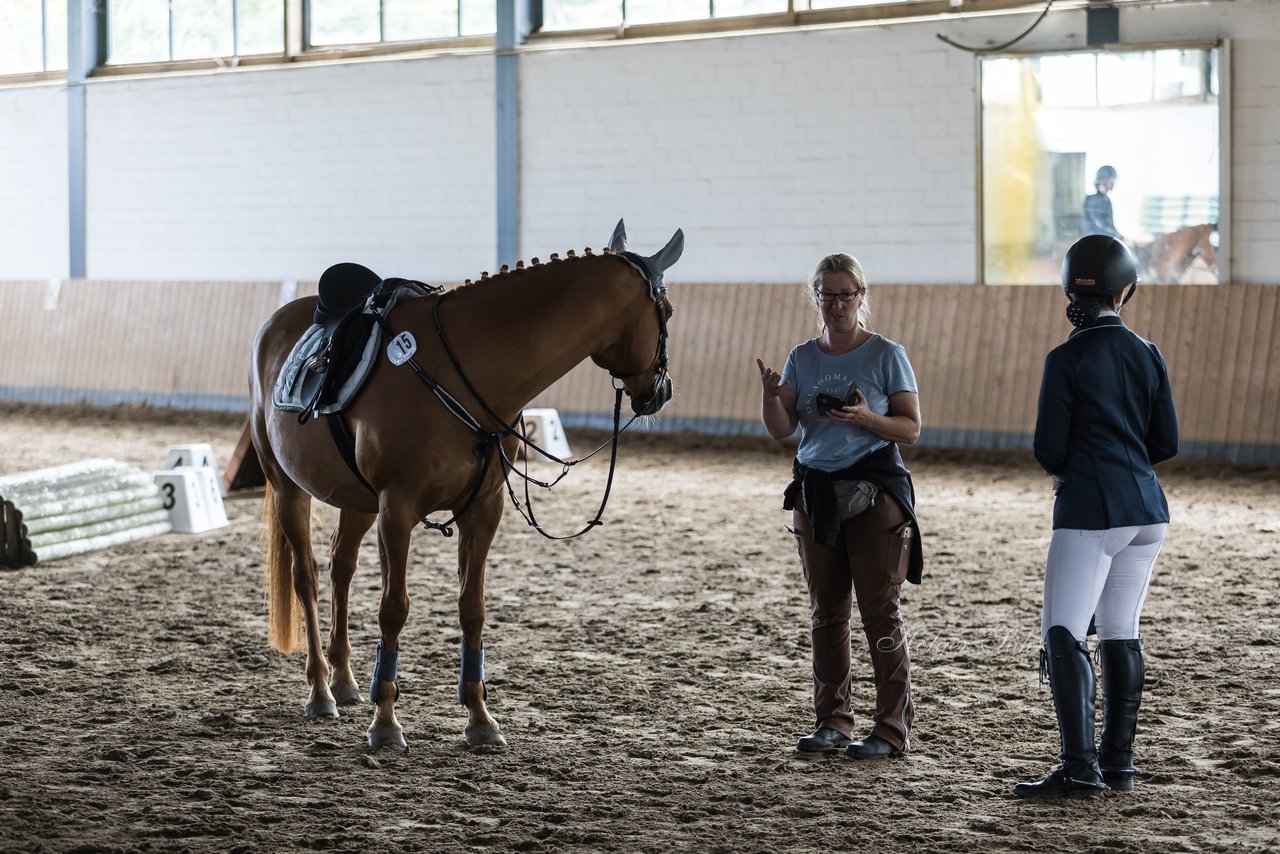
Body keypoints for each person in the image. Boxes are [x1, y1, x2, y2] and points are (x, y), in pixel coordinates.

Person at [1013, 234, 1179, 799]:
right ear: (1124, 290)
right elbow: (1167, 441)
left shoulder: (1065, 357)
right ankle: (1119, 765)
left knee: (1062, 632)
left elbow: (1048, 448)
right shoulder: (1149, 352)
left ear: (1068, 286)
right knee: (1120, 631)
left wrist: (1081, 467)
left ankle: (1080, 769)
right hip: (1147, 511)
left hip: (1089, 509)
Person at [755, 253, 923, 760]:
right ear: (816, 299)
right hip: (815, 491)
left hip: (874, 492)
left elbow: (911, 429)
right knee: (826, 613)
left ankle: (892, 727)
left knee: (879, 613)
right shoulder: (802, 357)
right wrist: (769, 398)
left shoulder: (886, 355)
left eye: (845, 294)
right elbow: (784, 429)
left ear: (860, 298)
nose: (835, 304)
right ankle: (832, 721)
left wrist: (868, 419)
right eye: (826, 295)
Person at [1083, 165, 1124, 241]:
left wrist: (1122, 238)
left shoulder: (1106, 200)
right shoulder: (1094, 200)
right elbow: (1099, 228)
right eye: (1111, 180)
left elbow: (1110, 226)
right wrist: (1120, 238)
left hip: (1104, 241)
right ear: (1103, 181)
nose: (1113, 183)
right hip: (1094, 243)